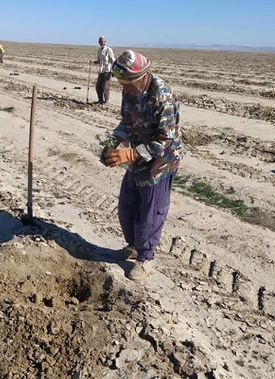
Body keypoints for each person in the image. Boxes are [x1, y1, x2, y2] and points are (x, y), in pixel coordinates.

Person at [101, 50, 184, 281]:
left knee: (150, 212)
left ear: (141, 78)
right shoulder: (130, 92)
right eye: (121, 84)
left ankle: (146, 258)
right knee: (127, 206)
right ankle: (134, 246)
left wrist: (130, 153)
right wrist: (114, 141)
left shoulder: (162, 95)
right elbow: (127, 121)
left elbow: (166, 141)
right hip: (137, 157)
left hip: (160, 161)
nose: (123, 88)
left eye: (127, 83)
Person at [91, 36, 115, 104]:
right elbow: (99, 61)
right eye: (101, 41)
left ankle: (106, 101)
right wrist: (93, 62)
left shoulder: (109, 50)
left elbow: (113, 60)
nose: (102, 43)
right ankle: (100, 100)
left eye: (103, 41)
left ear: (105, 42)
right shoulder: (99, 51)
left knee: (105, 87)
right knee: (98, 86)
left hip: (108, 70)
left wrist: (113, 70)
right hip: (101, 71)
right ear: (99, 42)